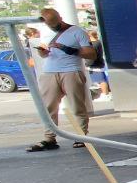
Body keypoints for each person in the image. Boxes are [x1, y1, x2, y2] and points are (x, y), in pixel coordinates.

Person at [27, 8, 95, 152]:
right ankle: (49, 138)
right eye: (50, 25)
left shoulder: (77, 31)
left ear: (60, 18)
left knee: (77, 106)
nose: (53, 27)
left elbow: (91, 54)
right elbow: (44, 55)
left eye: (55, 24)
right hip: (49, 71)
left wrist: (72, 50)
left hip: (71, 71)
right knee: (49, 107)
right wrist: (42, 51)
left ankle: (81, 136)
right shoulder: (45, 33)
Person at [87, 30, 111, 101]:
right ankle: (105, 94)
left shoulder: (93, 44)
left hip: (95, 65)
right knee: (101, 80)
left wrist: (88, 64)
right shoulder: (98, 42)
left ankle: (105, 94)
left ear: (89, 35)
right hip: (99, 64)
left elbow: (92, 55)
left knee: (101, 80)